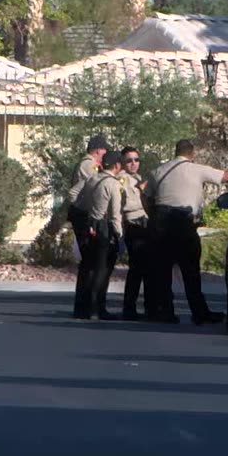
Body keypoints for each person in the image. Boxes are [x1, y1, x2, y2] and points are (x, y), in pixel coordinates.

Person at [143, 139, 228, 325]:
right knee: (190, 271)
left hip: (161, 223)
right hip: (184, 222)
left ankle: (164, 312)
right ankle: (199, 313)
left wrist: (153, 215)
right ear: (192, 153)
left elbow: (145, 194)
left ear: (176, 152)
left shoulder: (158, 171)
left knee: (162, 270)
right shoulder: (197, 169)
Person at [72, 150, 125, 321]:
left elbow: (76, 195)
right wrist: (120, 235)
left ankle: (84, 307)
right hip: (104, 227)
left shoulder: (92, 179)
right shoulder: (113, 184)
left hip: (90, 224)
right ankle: (97, 308)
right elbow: (115, 214)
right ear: (117, 165)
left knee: (89, 266)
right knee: (102, 269)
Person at [118, 146, 152, 321]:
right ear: (123, 162)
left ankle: (148, 305)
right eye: (129, 160)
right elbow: (126, 204)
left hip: (144, 223)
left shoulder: (137, 178)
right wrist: (141, 191)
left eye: (136, 160)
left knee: (146, 267)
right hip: (133, 223)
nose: (133, 163)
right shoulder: (122, 179)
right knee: (137, 268)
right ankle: (129, 307)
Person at [66, 134, 111, 266]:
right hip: (82, 212)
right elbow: (97, 184)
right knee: (89, 256)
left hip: (84, 211)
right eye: (104, 150)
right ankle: (86, 286)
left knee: (90, 257)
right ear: (98, 150)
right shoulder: (89, 165)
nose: (105, 153)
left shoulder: (91, 164)